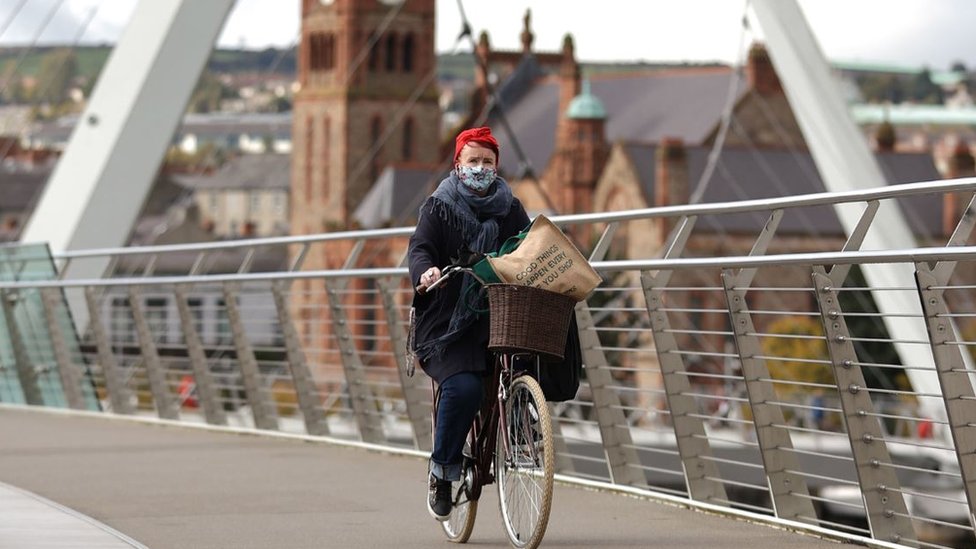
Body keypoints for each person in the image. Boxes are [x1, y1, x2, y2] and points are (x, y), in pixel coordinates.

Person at [408, 126, 529, 521]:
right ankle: (442, 472)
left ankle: (524, 425)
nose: (480, 168)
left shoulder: (510, 208)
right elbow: (420, 248)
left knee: (534, 356)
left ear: (497, 166)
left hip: (500, 312)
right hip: (449, 320)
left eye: (487, 162)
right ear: (457, 164)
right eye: (472, 161)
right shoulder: (438, 206)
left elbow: (531, 244)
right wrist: (425, 272)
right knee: (463, 387)